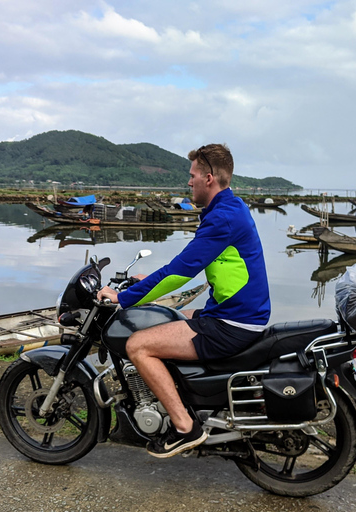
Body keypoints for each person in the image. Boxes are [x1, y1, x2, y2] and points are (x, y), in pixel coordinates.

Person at [96, 143, 271, 458]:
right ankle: (188, 399)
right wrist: (145, 282)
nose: (188, 182)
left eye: (192, 176)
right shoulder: (229, 208)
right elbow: (190, 265)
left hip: (232, 323)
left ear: (208, 178)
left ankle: (184, 426)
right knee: (167, 316)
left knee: (138, 345)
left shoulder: (222, 219)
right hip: (234, 311)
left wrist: (123, 297)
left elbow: (180, 271)